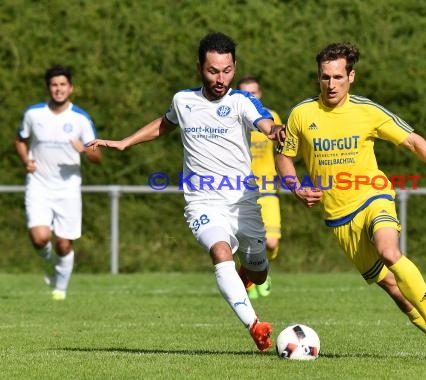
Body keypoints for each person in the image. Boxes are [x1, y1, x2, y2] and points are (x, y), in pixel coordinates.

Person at [87, 33, 284, 352]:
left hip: (242, 201)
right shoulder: (183, 101)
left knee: (259, 273)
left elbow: (264, 123)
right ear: (199, 68)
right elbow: (165, 123)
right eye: (213, 71)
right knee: (219, 251)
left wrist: (276, 131)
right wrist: (125, 141)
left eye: (227, 70)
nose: (220, 79)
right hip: (202, 200)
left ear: (234, 67)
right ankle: (254, 325)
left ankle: (245, 276)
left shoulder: (240, 101)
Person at [275, 42, 426, 358]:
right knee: (394, 289)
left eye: (338, 77)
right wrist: (295, 186)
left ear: (351, 77)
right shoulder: (301, 114)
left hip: (373, 196)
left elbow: (413, 141)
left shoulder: (368, 111)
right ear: (318, 77)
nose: (331, 84)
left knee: (389, 250)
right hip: (339, 219)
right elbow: (284, 158)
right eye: (325, 77)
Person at [15, 65, 102, 301]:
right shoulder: (34, 114)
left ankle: (60, 289)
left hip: (68, 189)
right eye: (54, 85)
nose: (58, 89)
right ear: (48, 88)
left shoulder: (80, 119)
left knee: (64, 244)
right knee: (39, 238)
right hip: (38, 185)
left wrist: (84, 149)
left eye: (63, 84)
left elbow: (97, 157)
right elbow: (20, 140)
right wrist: (26, 160)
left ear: (70, 88)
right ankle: (48, 263)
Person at [237, 75, 282, 299]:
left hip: (267, 188)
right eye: (245, 92)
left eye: (253, 92)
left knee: (271, 242)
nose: (250, 96)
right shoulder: (233, 116)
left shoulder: (271, 117)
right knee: (243, 243)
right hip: (240, 189)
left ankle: (262, 270)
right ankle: (249, 283)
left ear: (260, 94)